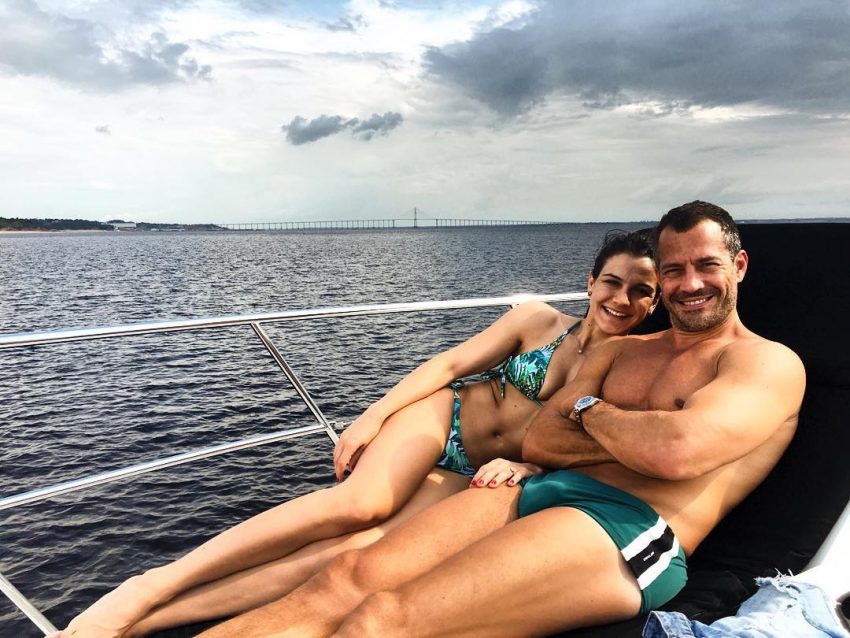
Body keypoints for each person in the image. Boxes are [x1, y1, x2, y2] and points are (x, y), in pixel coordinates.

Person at [198, 200, 807, 638]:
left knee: (381, 619)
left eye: (706, 265)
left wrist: (587, 411)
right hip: (538, 488)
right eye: (673, 270)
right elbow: (541, 439)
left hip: (628, 527)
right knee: (343, 579)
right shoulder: (622, 351)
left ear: (739, 266)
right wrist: (626, 428)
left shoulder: (765, 363)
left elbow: (676, 454)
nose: (689, 283)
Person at [53, 230, 660, 638]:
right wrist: (373, 415)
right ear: (590, 281)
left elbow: (587, 448)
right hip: (443, 418)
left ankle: (149, 622)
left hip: (474, 472)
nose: (623, 298)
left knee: (358, 552)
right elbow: (449, 365)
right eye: (613, 281)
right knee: (359, 504)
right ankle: (149, 586)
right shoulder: (538, 320)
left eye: (641, 291)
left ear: (655, 303)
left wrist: (532, 467)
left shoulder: (628, 374)